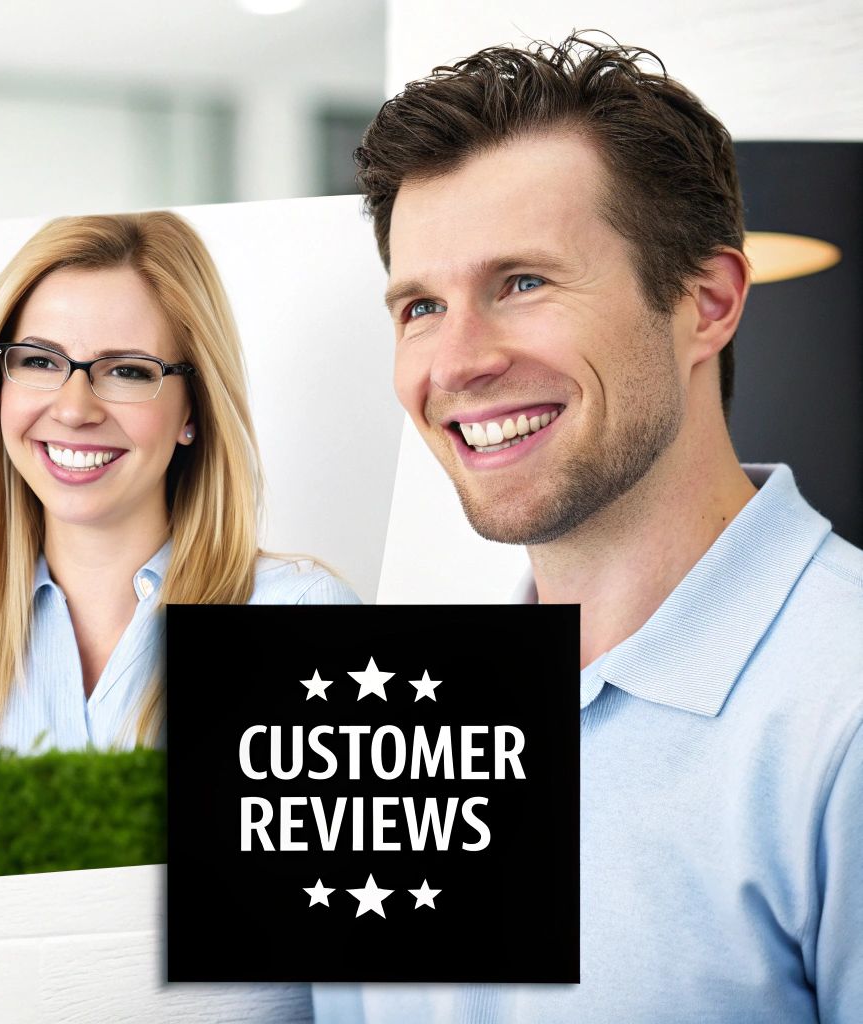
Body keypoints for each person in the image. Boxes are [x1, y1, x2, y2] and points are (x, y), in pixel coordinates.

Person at [317, 35, 863, 1022]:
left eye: (522, 282)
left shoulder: (842, 708)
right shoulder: (381, 726)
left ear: (705, 303)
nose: (457, 361)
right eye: (420, 306)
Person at [0, 211, 357, 764]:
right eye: (40, 361)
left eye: (127, 370)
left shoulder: (303, 620)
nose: (74, 409)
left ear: (193, 409)